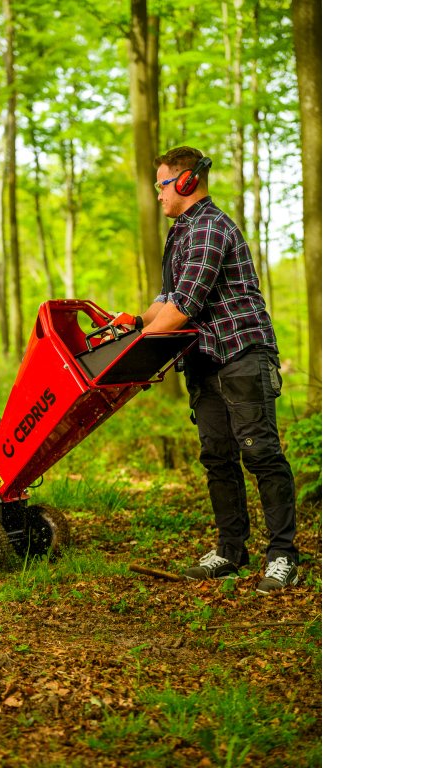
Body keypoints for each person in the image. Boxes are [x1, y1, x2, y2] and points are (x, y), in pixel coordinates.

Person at [133, 145, 300, 594]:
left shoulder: (209, 227)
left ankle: (283, 555)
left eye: (162, 185)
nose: (158, 194)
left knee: (260, 453)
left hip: (241, 353)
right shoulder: (181, 232)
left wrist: (133, 350)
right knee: (217, 457)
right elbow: (166, 301)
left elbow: (184, 307)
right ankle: (231, 549)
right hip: (204, 357)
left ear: (186, 182)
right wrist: (132, 325)